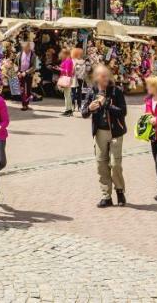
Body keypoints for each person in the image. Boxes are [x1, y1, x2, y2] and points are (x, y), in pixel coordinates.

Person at [81, 64, 127, 207]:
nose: (105, 78)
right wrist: (89, 108)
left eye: (107, 75)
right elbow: (83, 113)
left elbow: (123, 112)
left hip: (115, 132)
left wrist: (106, 104)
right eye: (102, 76)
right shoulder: (92, 91)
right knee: (101, 164)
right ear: (96, 78)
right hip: (100, 132)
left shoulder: (116, 91)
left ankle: (120, 191)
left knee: (115, 164)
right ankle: (106, 195)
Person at [16, 40, 38, 111]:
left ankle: (27, 104)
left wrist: (26, 72)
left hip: (28, 74)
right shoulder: (19, 54)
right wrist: (18, 71)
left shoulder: (33, 55)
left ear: (29, 47)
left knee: (28, 90)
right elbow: (16, 64)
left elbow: (34, 66)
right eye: (23, 47)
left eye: (26, 47)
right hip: (21, 73)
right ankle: (24, 105)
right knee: (22, 89)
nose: (24, 49)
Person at [57, 49, 77, 116]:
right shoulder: (67, 60)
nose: (61, 54)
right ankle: (68, 110)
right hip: (67, 79)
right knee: (67, 95)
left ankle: (68, 110)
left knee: (67, 95)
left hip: (66, 79)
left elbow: (68, 72)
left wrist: (60, 69)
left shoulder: (68, 60)